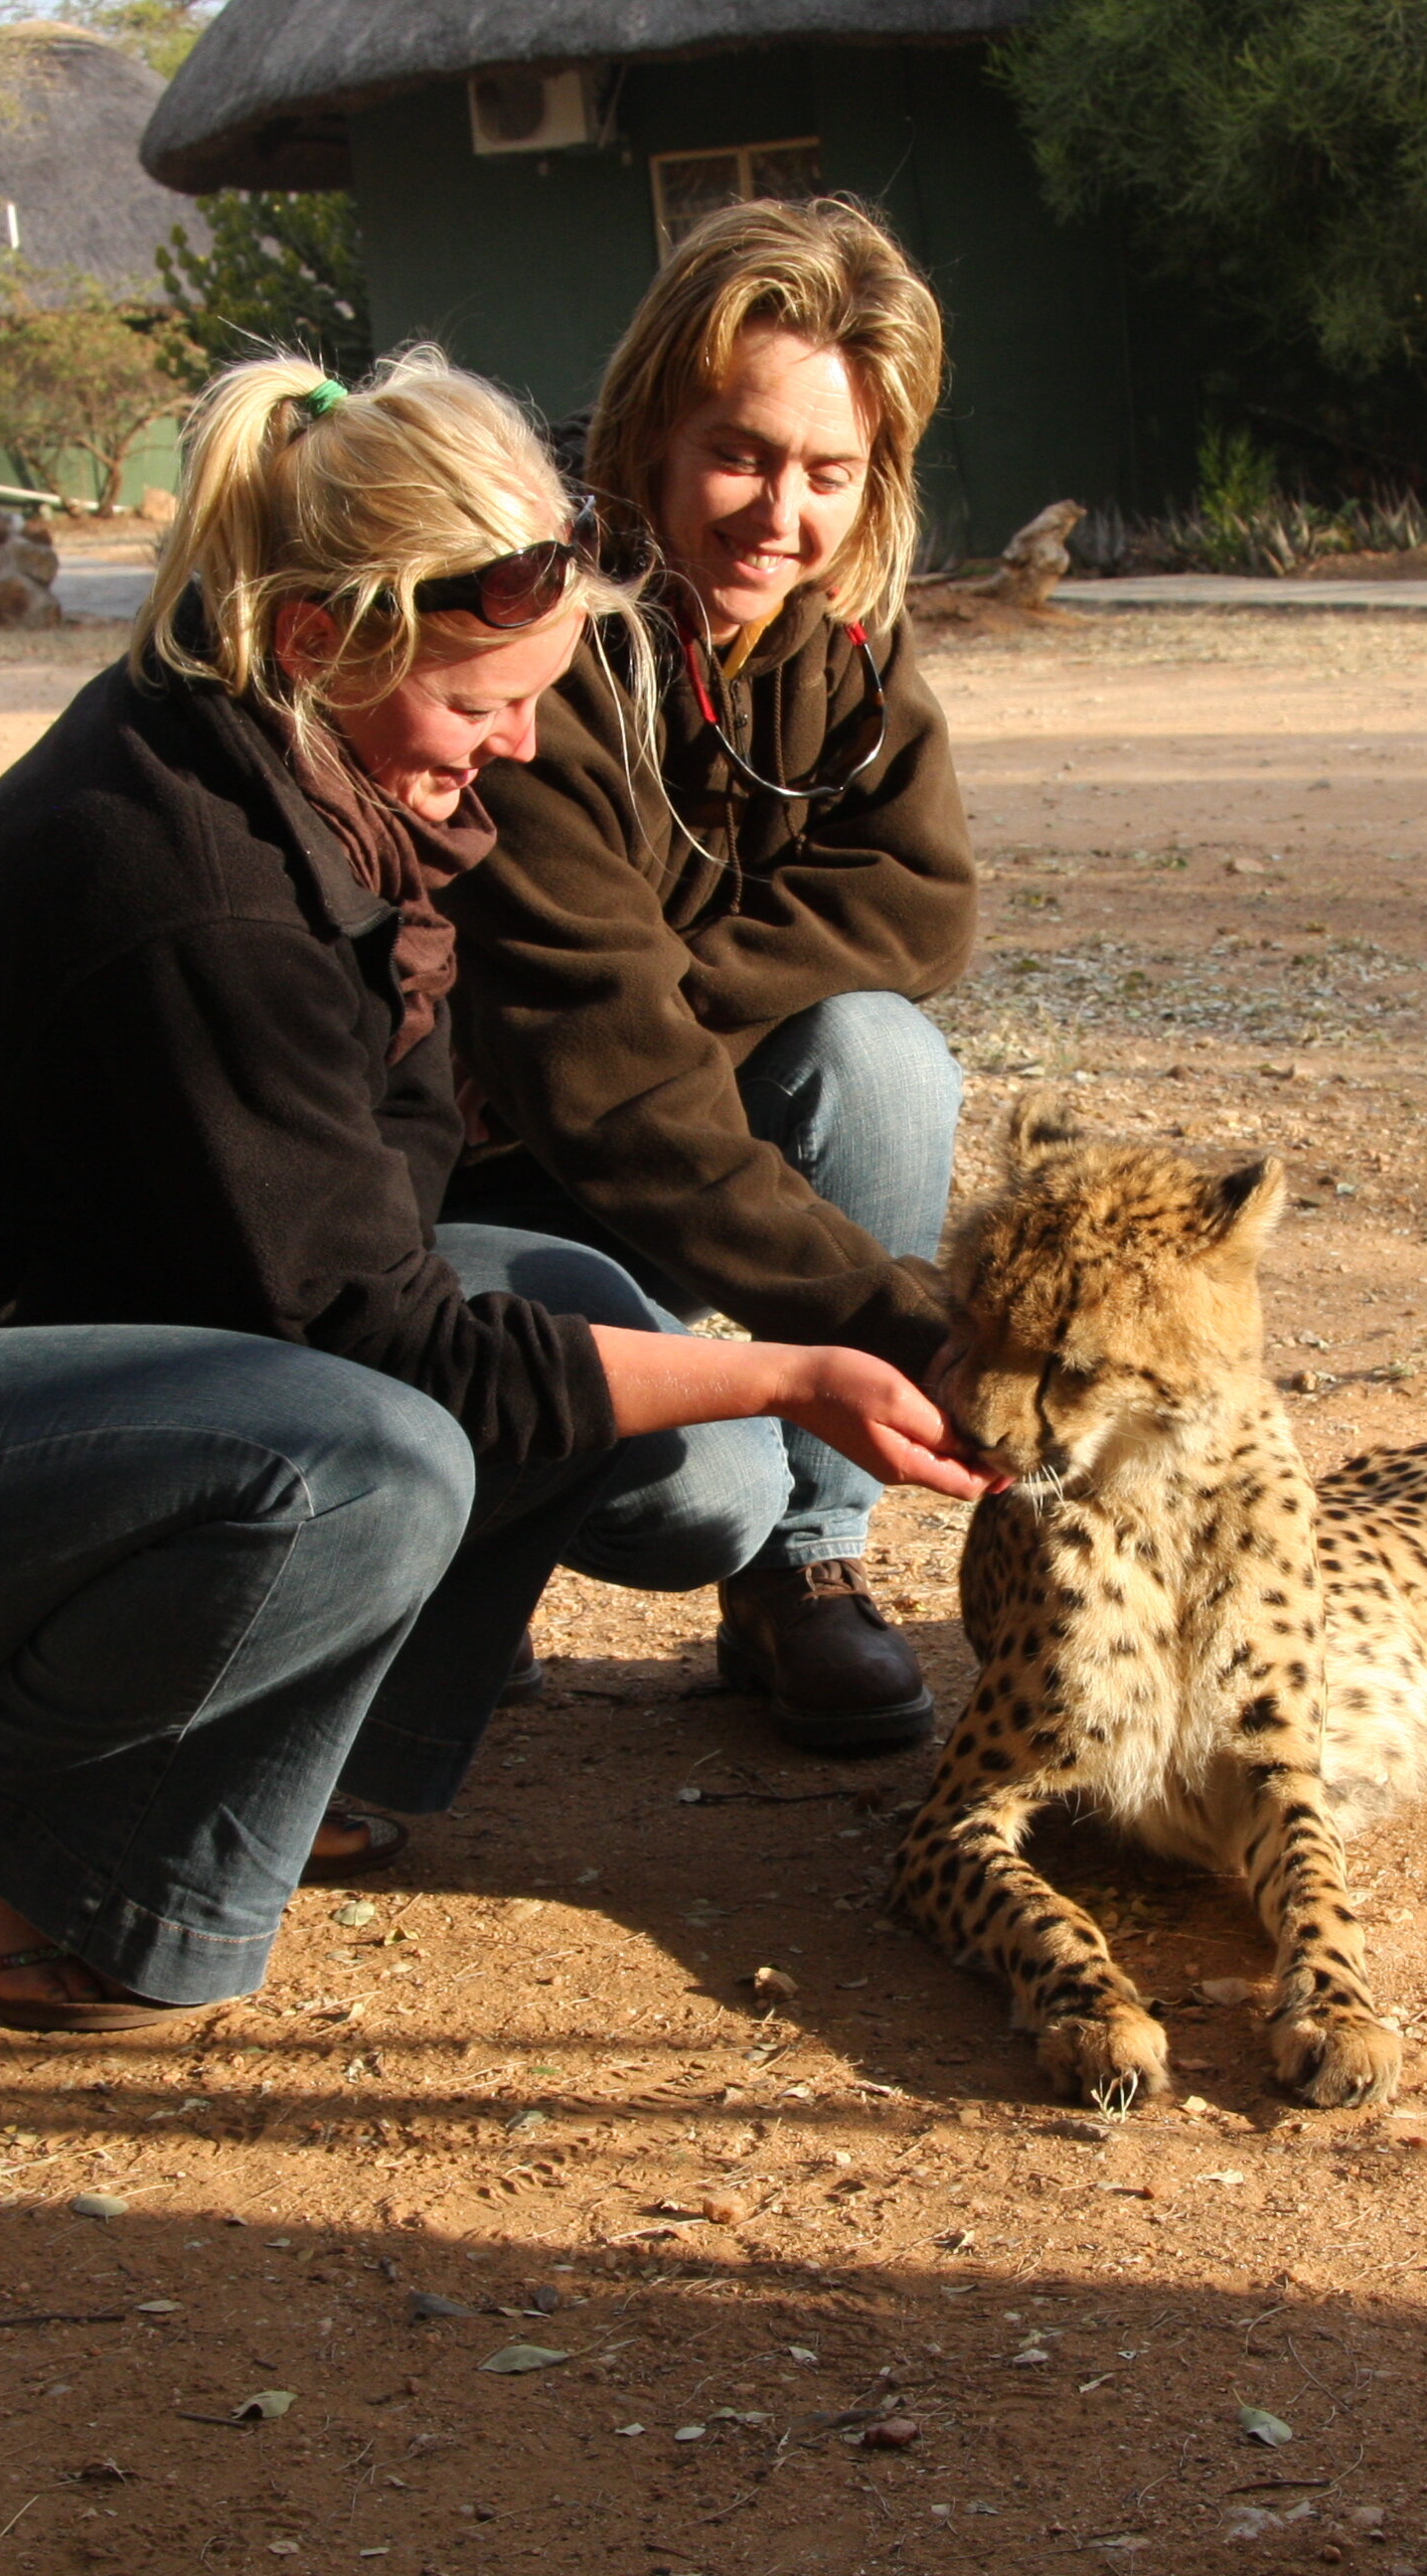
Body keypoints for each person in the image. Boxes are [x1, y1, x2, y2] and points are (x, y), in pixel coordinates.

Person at [0, 348, 994, 2033]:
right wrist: (786, 1369)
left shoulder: (330, 793)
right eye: (482, 707)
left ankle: (332, 1772)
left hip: (64, 1342)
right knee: (382, 1453)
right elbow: (390, 1340)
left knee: (552, 1338)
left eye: (537, 700)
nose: (513, 749)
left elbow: (391, 1218)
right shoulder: (195, 879)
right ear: (316, 640)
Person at [444, 196, 974, 1754]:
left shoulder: (848, 641)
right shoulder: (537, 627)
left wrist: (680, 989)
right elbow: (590, 1071)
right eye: (740, 454)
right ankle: (467, 1559)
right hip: (507, 1150)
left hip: (651, 1092)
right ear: (649, 435)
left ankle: (808, 1573)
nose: (778, 517)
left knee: (877, 1051)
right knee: (688, 1491)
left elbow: (920, 901)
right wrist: (899, 1326)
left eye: (829, 472)